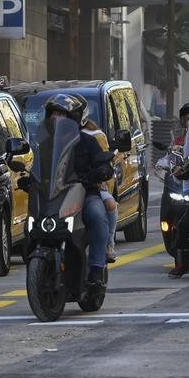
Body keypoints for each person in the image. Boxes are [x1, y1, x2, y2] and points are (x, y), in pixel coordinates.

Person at [44, 93, 114, 287]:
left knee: (97, 215)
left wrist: (100, 171)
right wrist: (28, 179)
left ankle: (97, 270)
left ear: (73, 118)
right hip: (53, 197)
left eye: (61, 114)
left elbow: (105, 165)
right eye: (53, 114)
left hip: (84, 193)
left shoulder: (87, 142)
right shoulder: (44, 144)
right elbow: (35, 168)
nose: (56, 118)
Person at [83, 118, 119, 263]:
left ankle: (108, 244)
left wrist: (99, 178)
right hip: (62, 191)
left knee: (109, 204)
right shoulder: (52, 139)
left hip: (89, 188)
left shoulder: (94, 137)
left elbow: (104, 163)